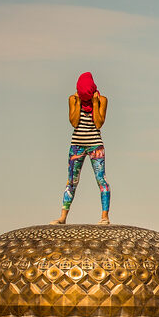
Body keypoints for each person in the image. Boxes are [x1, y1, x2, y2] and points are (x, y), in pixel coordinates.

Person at [52, 71, 111, 224]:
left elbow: (99, 123)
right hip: (77, 145)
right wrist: (78, 103)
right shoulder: (73, 99)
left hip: (95, 145)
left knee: (101, 180)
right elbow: (73, 121)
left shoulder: (102, 100)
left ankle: (105, 216)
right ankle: (63, 217)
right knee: (71, 181)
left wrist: (95, 103)